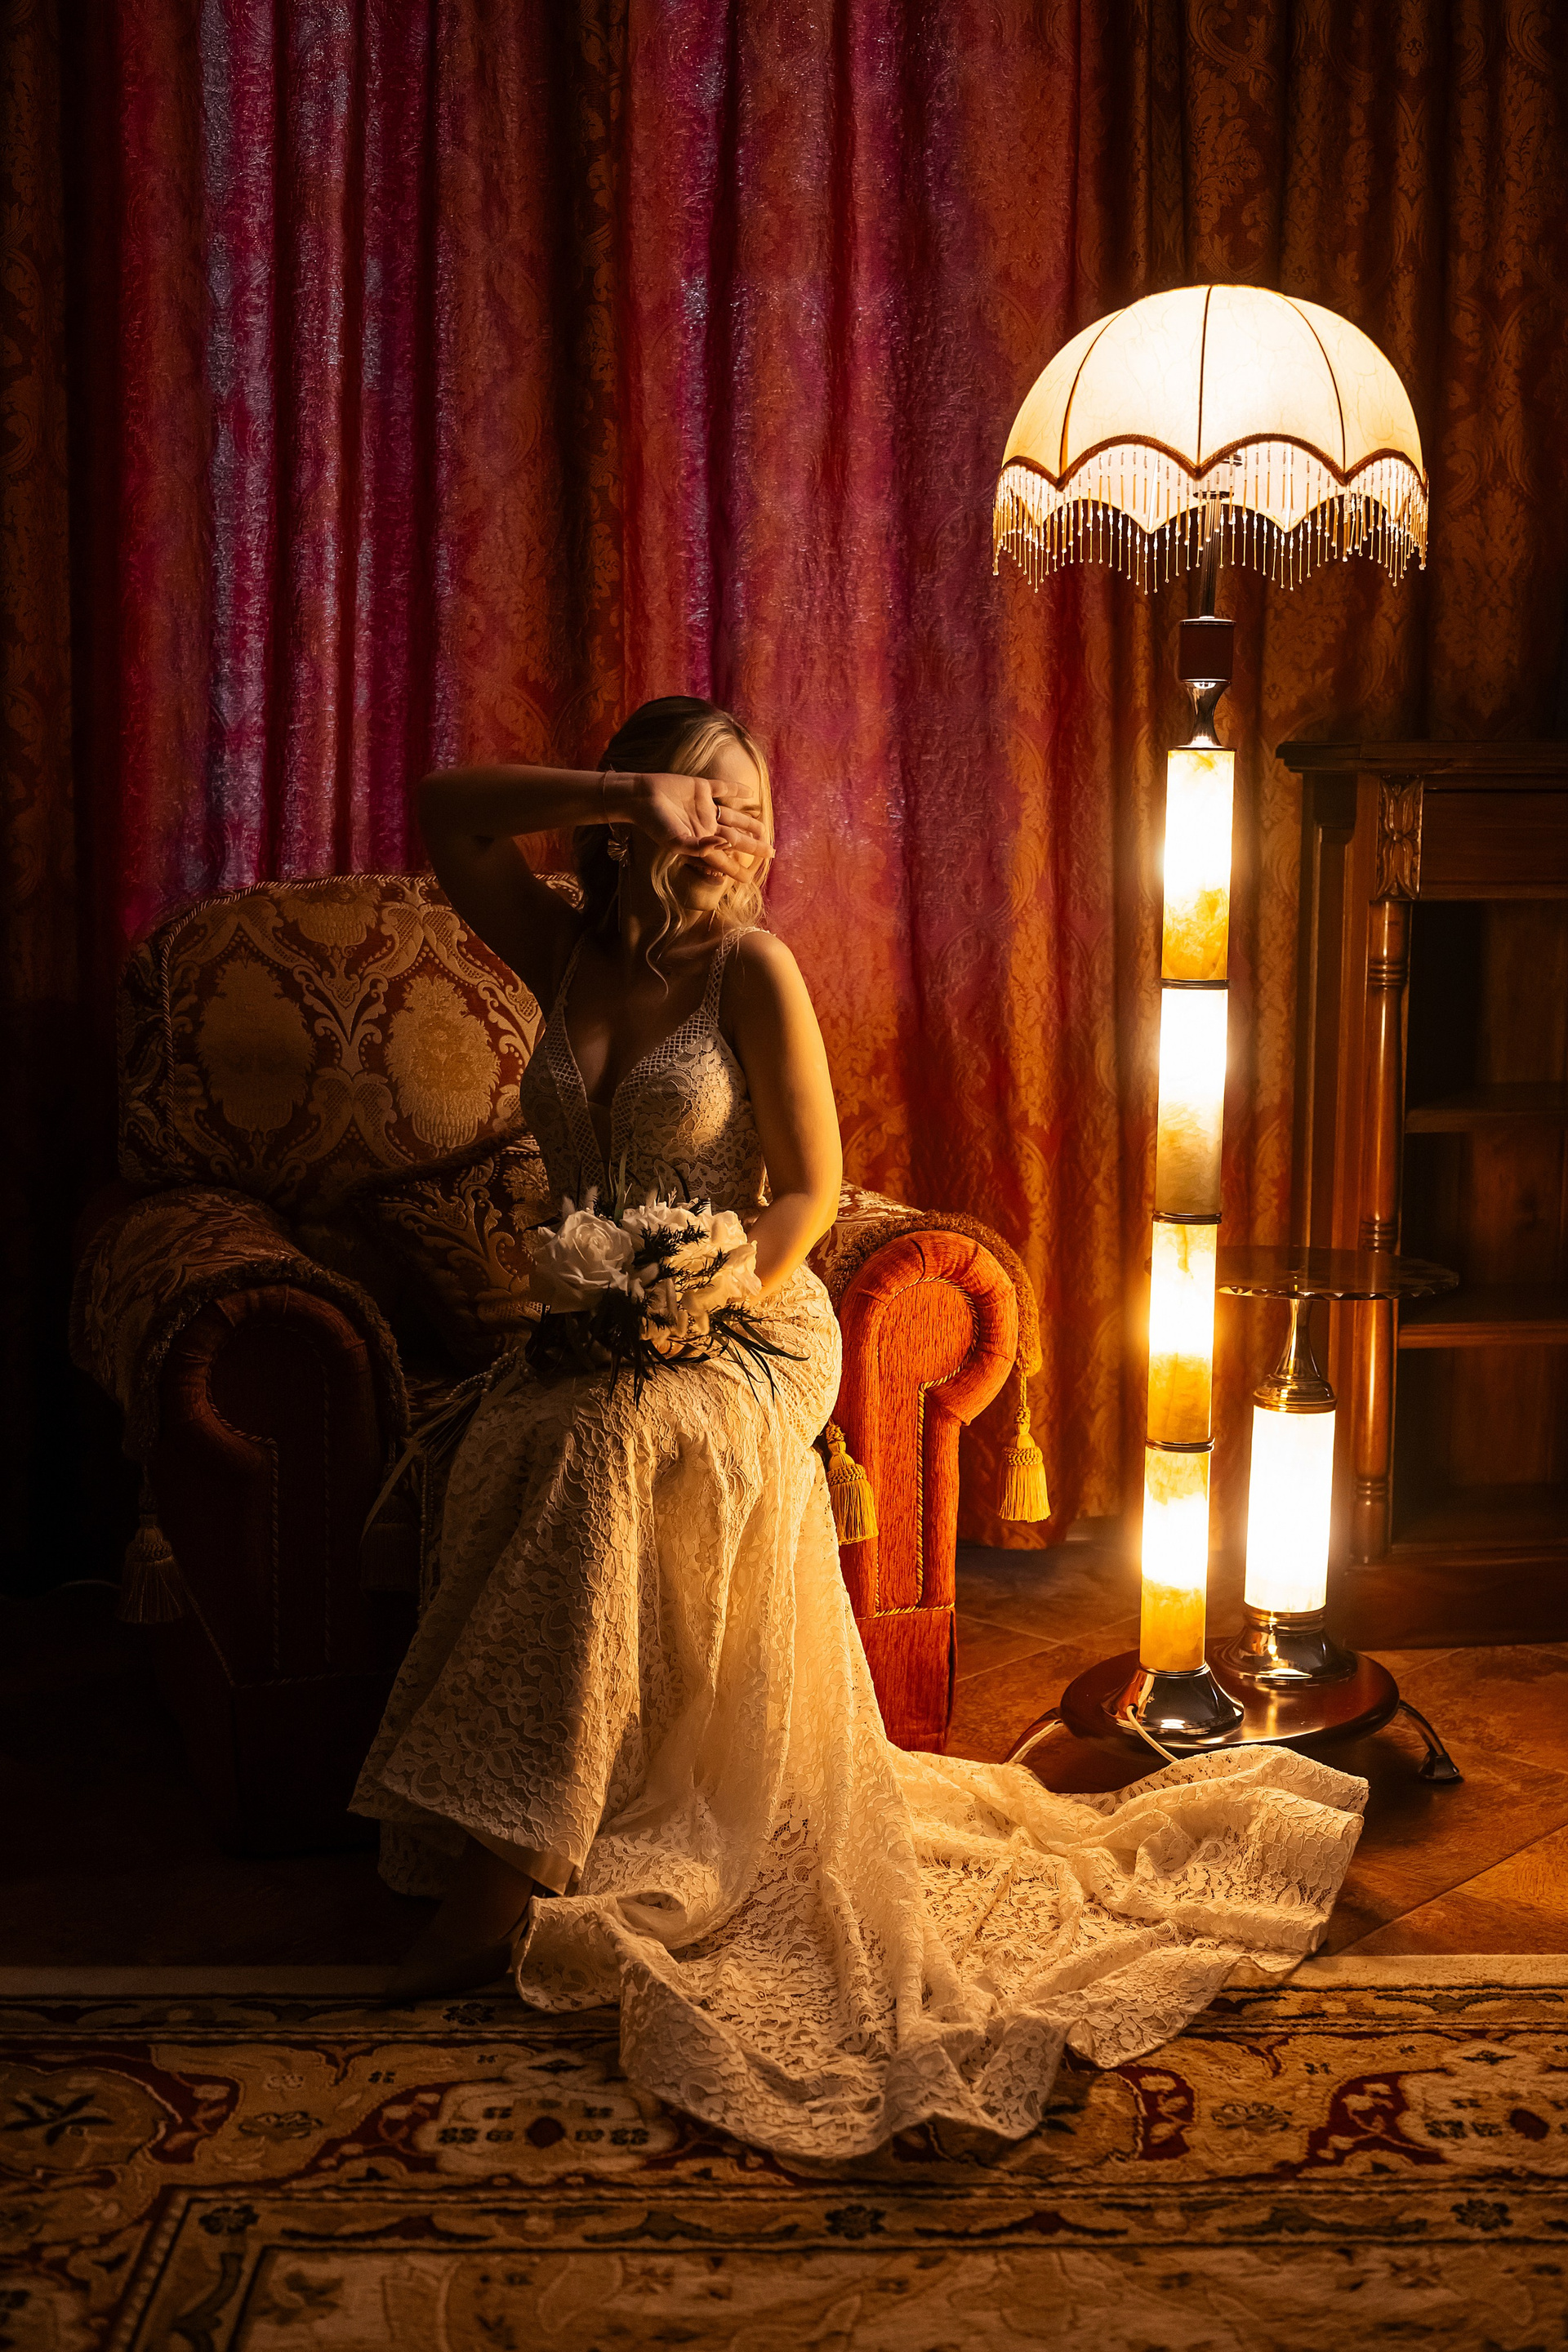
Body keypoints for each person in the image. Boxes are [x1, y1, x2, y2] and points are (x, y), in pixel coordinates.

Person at [352, 693, 1365, 2163]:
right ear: (636, 812)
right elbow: (450, 805)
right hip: (592, 1316)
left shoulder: (752, 969)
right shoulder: (560, 944)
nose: (738, 826)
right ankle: (570, 1809)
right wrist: (623, 797)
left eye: (754, 803)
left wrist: (705, 1290)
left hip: (751, 1319)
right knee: (521, 1442)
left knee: (608, 1448)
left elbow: (809, 1194)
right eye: (705, 797)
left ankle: (505, 1863)